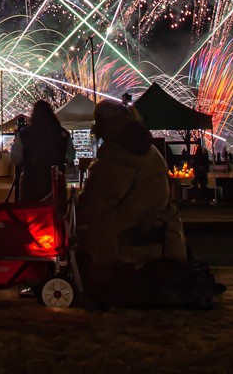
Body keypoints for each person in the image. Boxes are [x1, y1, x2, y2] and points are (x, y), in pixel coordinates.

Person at [77, 101, 186, 307]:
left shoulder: (117, 160)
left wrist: (73, 214)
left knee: (78, 236)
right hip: (161, 234)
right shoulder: (149, 151)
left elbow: (96, 205)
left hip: (127, 241)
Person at [12, 99, 71, 202]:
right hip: (55, 185)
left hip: (31, 185)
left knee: (29, 213)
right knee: (56, 214)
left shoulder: (24, 134)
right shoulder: (63, 134)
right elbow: (70, 157)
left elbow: (15, 158)